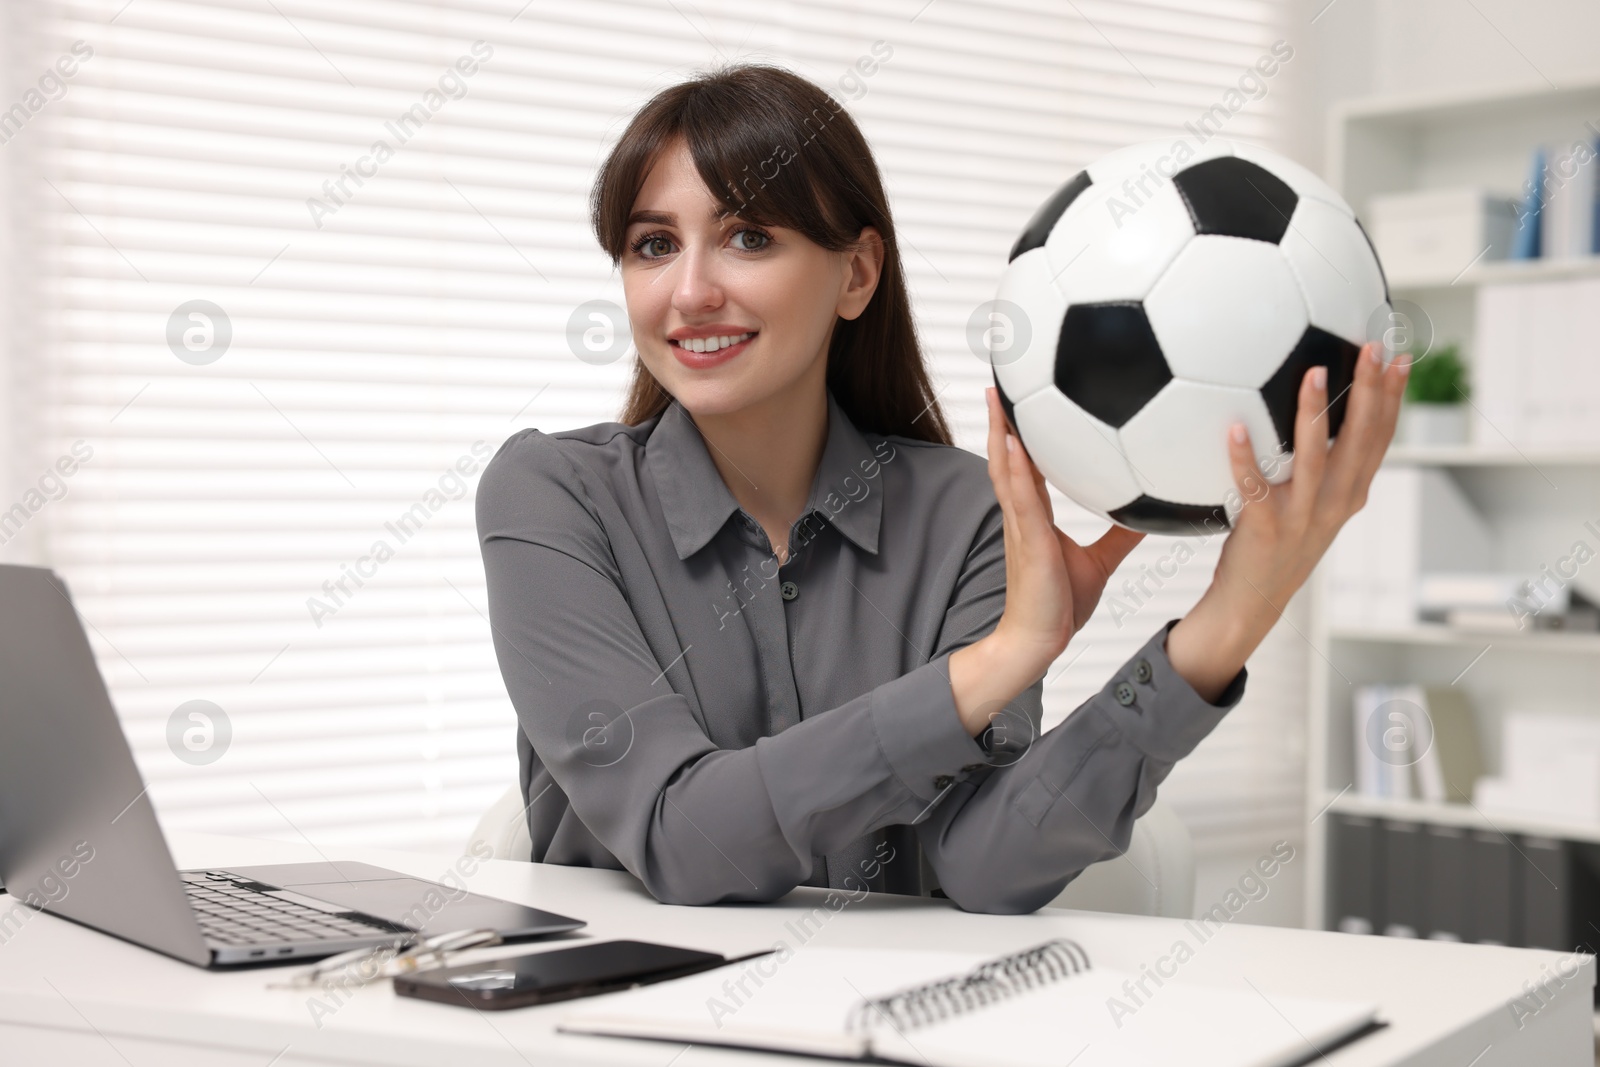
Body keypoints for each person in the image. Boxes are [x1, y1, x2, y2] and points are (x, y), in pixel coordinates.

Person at [475, 63, 1405, 914]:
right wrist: (1001, 661)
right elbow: (684, 838)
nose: (689, 291)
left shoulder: (967, 514)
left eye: (747, 237)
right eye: (651, 245)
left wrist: (1221, 629)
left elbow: (982, 865)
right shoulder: (551, 498)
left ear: (857, 274)